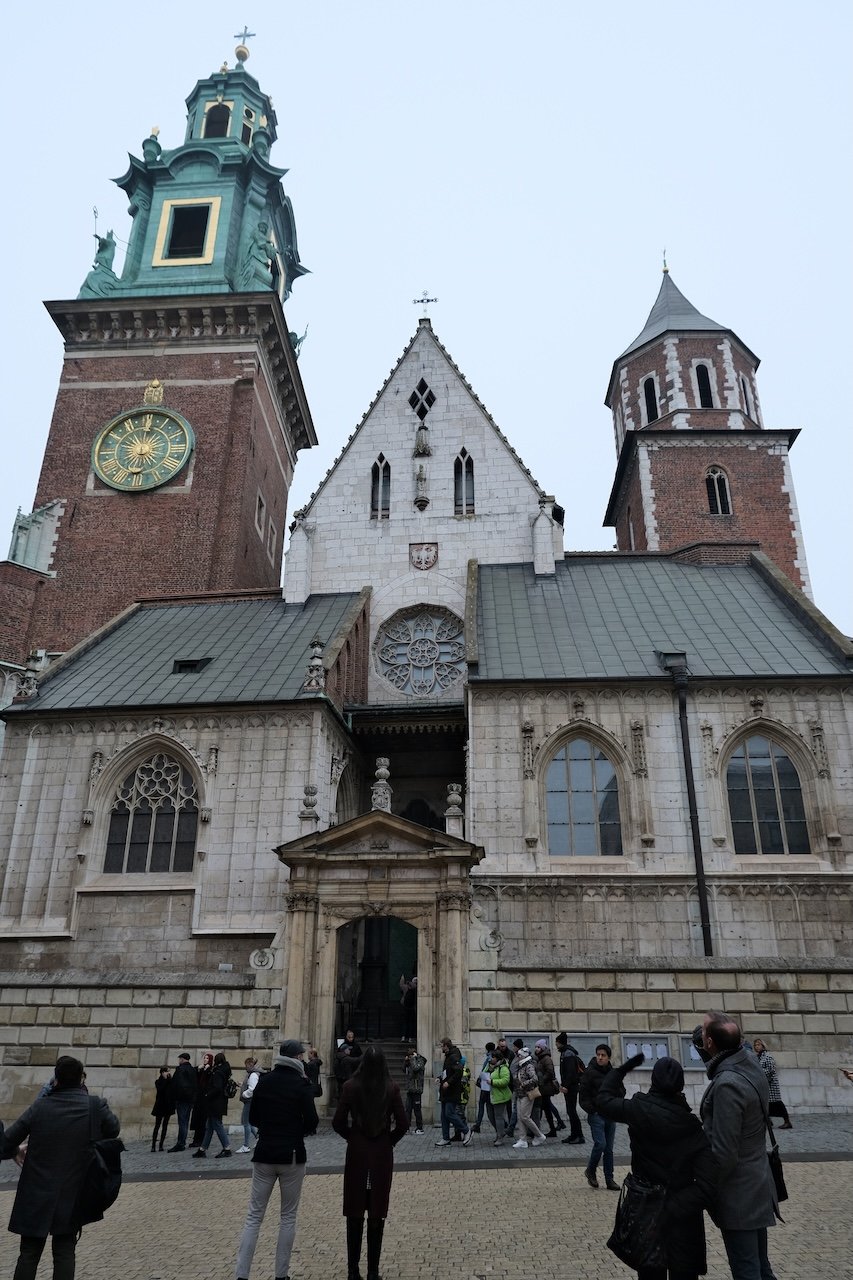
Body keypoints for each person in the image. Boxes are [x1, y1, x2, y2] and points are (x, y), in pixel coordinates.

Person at [597, 1053, 719, 1280]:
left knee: (650, 1271)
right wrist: (675, 1204)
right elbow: (708, 1185)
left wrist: (622, 1070)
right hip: (683, 1218)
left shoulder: (638, 1109)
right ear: (680, 1086)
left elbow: (603, 1100)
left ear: (653, 1081)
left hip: (646, 1210)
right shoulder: (693, 1128)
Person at [0, 1054, 120, 1280]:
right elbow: (113, 1129)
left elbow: (6, 1141)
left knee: (28, 1253)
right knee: (64, 1251)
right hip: (73, 1191)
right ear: (80, 1080)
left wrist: (16, 1151)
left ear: (56, 1080)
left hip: (36, 1191)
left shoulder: (40, 1106)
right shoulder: (94, 1104)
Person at [697, 1013, 779, 1280]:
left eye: (704, 1032)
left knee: (747, 1271)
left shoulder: (727, 1085)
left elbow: (724, 1153)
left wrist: (703, 1191)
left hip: (739, 1194)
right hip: (758, 1181)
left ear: (709, 1042)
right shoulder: (751, 1064)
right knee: (761, 1268)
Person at [234, 1038, 318, 1280]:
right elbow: (312, 1120)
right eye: (301, 1055)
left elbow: (255, 1117)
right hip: (291, 1155)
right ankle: (281, 1275)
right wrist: (296, 1130)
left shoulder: (265, 1080)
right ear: (296, 1057)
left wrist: (270, 1128)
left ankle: (242, 1274)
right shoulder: (301, 1084)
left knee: (253, 1216)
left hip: (264, 1153)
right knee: (288, 1217)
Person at [333, 1046, 407, 1280]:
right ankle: (373, 1272)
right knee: (376, 1213)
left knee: (354, 1214)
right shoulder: (392, 1088)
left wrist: (353, 1138)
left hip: (357, 1153)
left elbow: (337, 1122)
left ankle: (353, 1272)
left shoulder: (349, 1087)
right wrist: (388, 1141)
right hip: (381, 1154)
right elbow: (403, 1124)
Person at [579, 1043, 619, 1189]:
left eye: (603, 1055)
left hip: (610, 1114)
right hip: (596, 1115)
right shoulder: (589, 1072)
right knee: (600, 1144)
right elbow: (583, 1095)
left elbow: (621, 1090)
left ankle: (609, 1179)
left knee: (609, 1149)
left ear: (609, 1058)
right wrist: (592, 1110)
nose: (600, 1058)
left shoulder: (613, 1073)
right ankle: (591, 1170)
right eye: (598, 1055)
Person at [193, 1051, 233, 1158]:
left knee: (217, 1125)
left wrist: (207, 1094)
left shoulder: (218, 1072)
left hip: (215, 1103)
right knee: (209, 1126)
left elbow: (217, 1088)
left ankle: (227, 1148)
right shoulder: (223, 1071)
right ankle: (202, 1149)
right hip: (217, 1102)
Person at [434, 1037, 472, 1146]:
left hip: (452, 1090)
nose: (441, 1047)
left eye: (442, 1045)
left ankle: (466, 1130)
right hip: (446, 1091)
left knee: (449, 1113)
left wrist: (448, 1082)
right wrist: (440, 1078)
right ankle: (445, 1138)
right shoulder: (448, 1056)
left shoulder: (453, 1056)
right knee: (443, 1115)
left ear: (446, 1046)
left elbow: (458, 1072)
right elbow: (447, 1072)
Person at [512, 1046, 547, 1150]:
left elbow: (534, 1079)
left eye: (519, 1055)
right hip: (520, 1094)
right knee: (520, 1117)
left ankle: (540, 1135)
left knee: (525, 1117)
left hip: (527, 1094)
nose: (517, 1057)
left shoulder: (529, 1066)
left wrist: (524, 1084)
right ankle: (522, 1140)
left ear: (523, 1056)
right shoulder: (521, 1066)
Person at [752, 1040, 792, 1129]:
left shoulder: (768, 1056)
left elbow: (771, 1070)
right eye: (755, 1045)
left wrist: (759, 1073)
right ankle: (768, 1121)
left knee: (777, 1103)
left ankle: (787, 1121)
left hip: (770, 1084)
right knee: (763, 1103)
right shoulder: (757, 1057)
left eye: (758, 1045)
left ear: (763, 1046)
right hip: (763, 1083)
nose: (756, 1046)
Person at [556, 1031, 586, 1144]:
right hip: (571, 1086)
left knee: (572, 1112)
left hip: (571, 1087)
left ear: (560, 1043)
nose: (556, 1045)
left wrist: (565, 1086)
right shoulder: (566, 1052)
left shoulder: (568, 1054)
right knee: (570, 1111)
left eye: (557, 1043)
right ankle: (574, 1135)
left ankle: (579, 1136)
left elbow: (570, 1072)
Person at [534, 1038, 565, 1135]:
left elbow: (550, 1072)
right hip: (543, 1088)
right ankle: (552, 1129)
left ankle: (537, 1130)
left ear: (543, 1048)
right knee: (546, 1109)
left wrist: (541, 1080)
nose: (536, 1049)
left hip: (546, 1088)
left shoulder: (546, 1058)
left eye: (538, 1047)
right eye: (536, 1047)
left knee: (544, 1108)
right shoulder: (540, 1058)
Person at [168, 1051, 197, 1151]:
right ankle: (182, 1142)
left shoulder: (180, 1069)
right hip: (190, 1100)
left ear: (182, 1059)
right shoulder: (193, 1070)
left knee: (182, 1122)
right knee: (186, 1121)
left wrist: (175, 1098)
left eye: (179, 1059)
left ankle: (181, 1143)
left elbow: (176, 1085)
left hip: (182, 1099)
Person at [486, 1049, 512, 1145]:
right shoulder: (493, 1067)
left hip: (500, 1096)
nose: (490, 1059)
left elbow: (505, 1081)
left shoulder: (503, 1068)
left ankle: (500, 1137)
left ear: (497, 1058)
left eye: (492, 1057)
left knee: (498, 1117)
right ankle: (500, 1132)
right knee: (491, 1116)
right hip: (491, 1095)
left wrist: (492, 1082)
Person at [189, 1051, 214, 1146]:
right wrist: (199, 1070)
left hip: (205, 1099)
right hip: (198, 1098)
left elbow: (209, 1082)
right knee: (197, 1119)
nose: (205, 1059)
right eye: (205, 1058)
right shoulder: (201, 1069)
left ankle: (201, 1140)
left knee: (203, 1120)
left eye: (207, 1058)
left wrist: (207, 1070)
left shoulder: (211, 1070)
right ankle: (196, 1140)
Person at [237, 1057, 261, 1153]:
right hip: (250, 1100)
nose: (245, 1067)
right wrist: (242, 1085)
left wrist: (244, 1094)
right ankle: (258, 1138)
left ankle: (246, 1145)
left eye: (246, 1065)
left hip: (249, 1100)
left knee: (245, 1122)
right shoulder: (252, 1074)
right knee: (248, 1122)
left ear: (250, 1065)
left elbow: (252, 1089)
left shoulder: (253, 1075)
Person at [402, 1044, 426, 1133]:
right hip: (409, 1089)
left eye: (410, 1056)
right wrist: (405, 1062)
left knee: (417, 1109)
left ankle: (420, 1127)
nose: (409, 1058)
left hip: (417, 1089)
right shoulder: (410, 1062)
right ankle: (407, 1127)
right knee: (408, 1109)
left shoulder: (420, 1061)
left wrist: (413, 1058)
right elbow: (404, 1070)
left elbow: (416, 1069)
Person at [472, 1042, 496, 1132]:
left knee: (483, 1105)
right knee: (488, 1106)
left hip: (486, 1085)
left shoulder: (489, 1058)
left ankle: (478, 1124)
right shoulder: (493, 1056)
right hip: (488, 1084)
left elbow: (485, 1070)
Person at [150, 1066, 174, 1152]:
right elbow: (160, 1090)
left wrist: (169, 1080)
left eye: (169, 1071)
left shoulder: (170, 1081)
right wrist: (166, 1080)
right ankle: (153, 1145)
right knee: (157, 1125)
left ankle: (161, 1145)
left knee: (165, 1126)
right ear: (162, 1072)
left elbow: (172, 1091)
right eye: (167, 1071)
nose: (168, 1073)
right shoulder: (158, 1081)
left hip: (168, 1106)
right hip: (160, 1106)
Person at [399, 973, 418, 1041]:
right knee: (411, 1023)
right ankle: (410, 1037)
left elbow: (401, 984)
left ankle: (403, 1037)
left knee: (405, 1022)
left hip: (405, 1007)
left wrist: (402, 977)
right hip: (412, 1007)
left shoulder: (406, 987)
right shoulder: (417, 988)